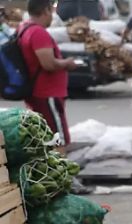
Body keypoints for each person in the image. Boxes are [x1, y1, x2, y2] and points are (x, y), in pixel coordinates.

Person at [18, 0, 78, 147]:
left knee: (45, 139)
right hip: (47, 94)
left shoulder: (23, 28)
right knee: (58, 140)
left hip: (39, 93)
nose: (52, 16)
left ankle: (50, 168)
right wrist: (67, 63)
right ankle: (60, 169)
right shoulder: (38, 32)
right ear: (45, 11)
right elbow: (48, 64)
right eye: (51, 12)